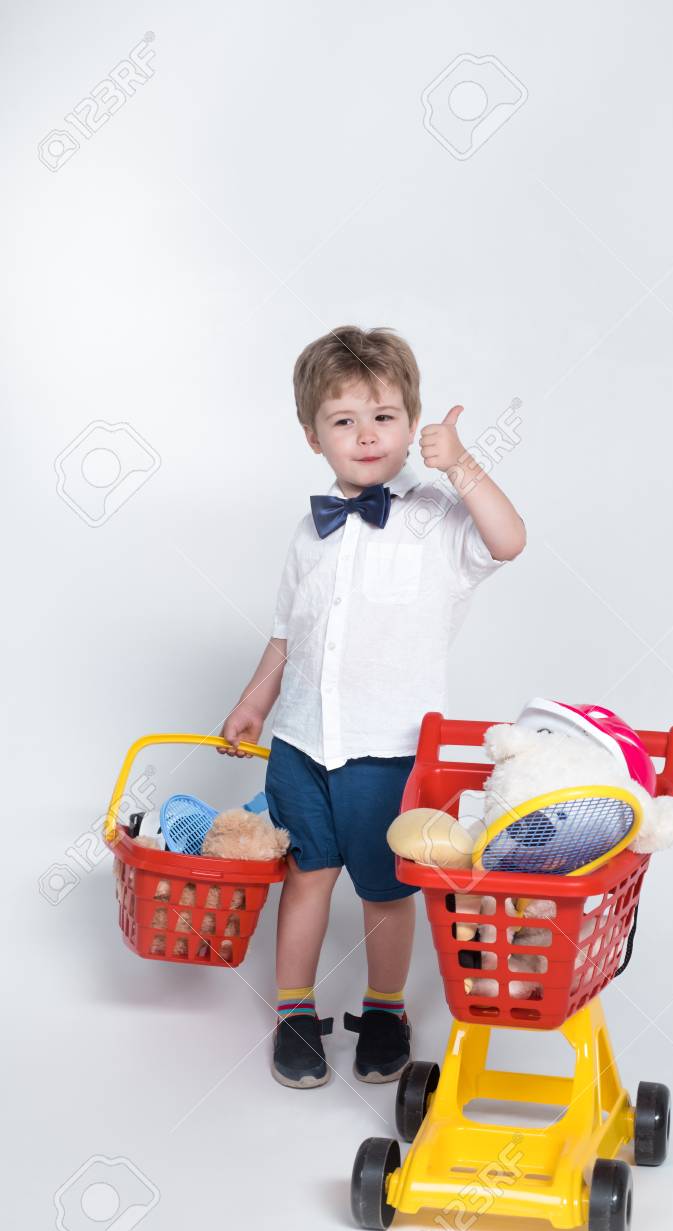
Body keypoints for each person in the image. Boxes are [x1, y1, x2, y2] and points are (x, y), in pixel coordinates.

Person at [219, 325, 526, 1089]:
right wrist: (254, 702)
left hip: (387, 749)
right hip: (300, 742)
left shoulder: (435, 520)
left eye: (383, 416)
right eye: (343, 420)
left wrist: (461, 465)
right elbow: (290, 632)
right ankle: (295, 1010)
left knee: (386, 888)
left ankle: (385, 1008)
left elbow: (510, 540)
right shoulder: (308, 532)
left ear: (410, 420)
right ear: (311, 434)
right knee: (307, 875)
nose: (365, 434)